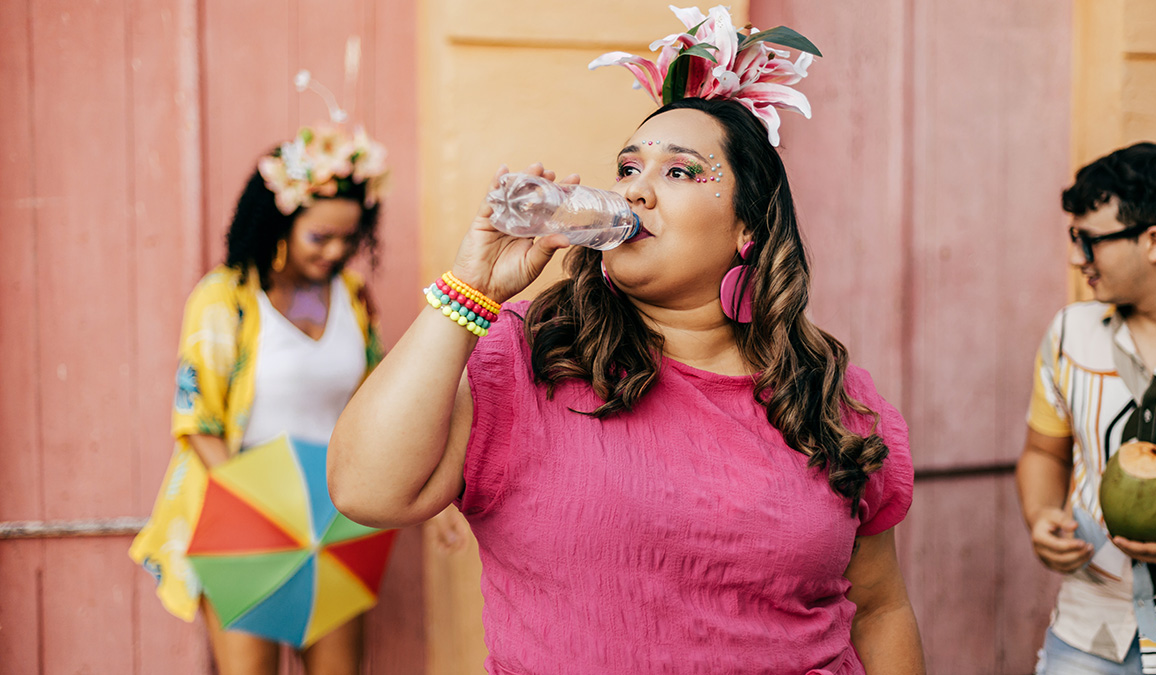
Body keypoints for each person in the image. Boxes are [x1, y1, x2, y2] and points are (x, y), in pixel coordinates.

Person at [329, 8, 923, 673]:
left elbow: (879, 608)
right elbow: (364, 488)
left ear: (746, 230)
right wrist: (473, 288)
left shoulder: (827, 394)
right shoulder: (528, 358)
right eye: (628, 167)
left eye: (678, 172)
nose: (635, 189)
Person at [130, 124, 393, 674]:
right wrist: (258, 506)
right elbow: (197, 422)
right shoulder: (226, 298)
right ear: (280, 224)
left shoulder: (352, 298)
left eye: (349, 237)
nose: (337, 251)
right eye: (320, 237)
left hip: (332, 522)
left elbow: (378, 402)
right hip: (244, 517)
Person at [1017, 142, 1156, 674]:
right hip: (1086, 634)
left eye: (1089, 240)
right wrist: (1041, 516)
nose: (1077, 258)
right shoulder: (1069, 332)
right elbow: (1042, 453)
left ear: (1153, 241)